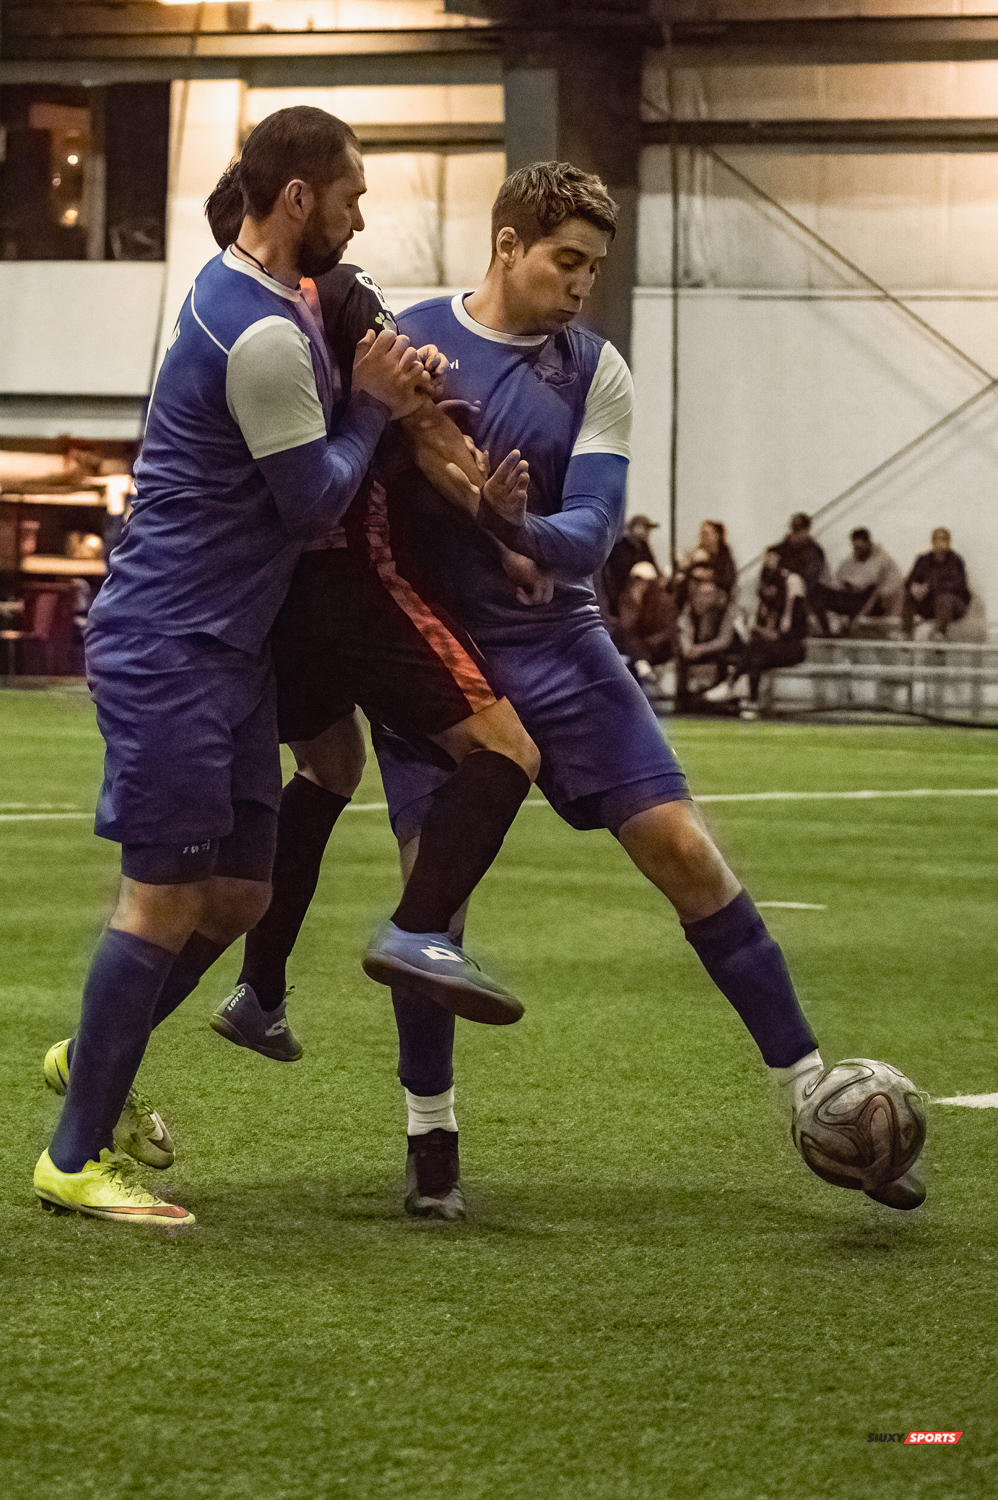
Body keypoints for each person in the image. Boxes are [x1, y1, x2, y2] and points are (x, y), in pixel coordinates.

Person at [239, 160, 922, 1219]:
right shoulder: (406, 340)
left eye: (594, 268)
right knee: (436, 908)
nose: (580, 284)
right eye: (566, 260)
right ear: (506, 243)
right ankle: (431, 1151)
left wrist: (511, 525)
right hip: (444, 666)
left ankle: (810, 1092)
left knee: (688, 857)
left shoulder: (594, 370)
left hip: (564, 653)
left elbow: (589, 536)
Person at [31, 107, 515, 1228]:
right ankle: (71, 1156)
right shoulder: (253, 328)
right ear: (296, 197)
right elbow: (313, 500)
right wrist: (374, 402)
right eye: (351, 193)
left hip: (228, 649)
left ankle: (95, 1058)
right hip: (173, 644)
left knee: (242, 892)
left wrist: (391, 377)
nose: (361, 213)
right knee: (160, 901)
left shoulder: (289, 302)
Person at [705, 550, 807, 717]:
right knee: (756, 655)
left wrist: (760, 630)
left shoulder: (792, 605)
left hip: (792, 648)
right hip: (771, 647)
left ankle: (731, 684)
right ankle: (750, 700)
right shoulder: (767, 605)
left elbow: (785, 633)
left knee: (755, 645)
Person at [673, 561, 738, 710]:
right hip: (696, 651)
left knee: (726, 658)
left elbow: (724, 640)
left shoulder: (724, 612)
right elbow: (685, 631)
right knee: (680, 657)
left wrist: (701, 649)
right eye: (702, 595)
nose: (704, 599)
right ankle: (684, 702)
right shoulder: (690, 611)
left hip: (716, 652)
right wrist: (689, 648)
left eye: (708, 595)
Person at [821, 527, 903, 629]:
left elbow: (893, 584)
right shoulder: (848, 561)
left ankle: (854, 621)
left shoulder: (883, 560)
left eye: (860, 548)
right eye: (855, 548)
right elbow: (838, 581)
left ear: (868, 543)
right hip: (853, 598)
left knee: (873, 593)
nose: (857, 551)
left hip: (876, 602)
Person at [614, 560, 678, 687]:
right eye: (637, 579)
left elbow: (670, 629)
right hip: (636, 646)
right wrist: (635, 603)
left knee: (635, 646)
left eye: (646, 581)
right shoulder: (626, 599)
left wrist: (651, 642)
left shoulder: (664, 600)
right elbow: (627, 627)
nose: (642, 584)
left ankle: (641, 662)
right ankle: (641, 663)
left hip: (659, 647)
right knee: (631, 641)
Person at [902, 527, 970, 638]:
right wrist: (914, 588)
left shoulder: (955, 561)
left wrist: (929, 587)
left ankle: (940, 634)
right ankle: (906, 633)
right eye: (936, 539)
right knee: (909, 596)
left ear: (948, 542)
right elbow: (909, 581)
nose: (939, 543)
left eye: (943, 539)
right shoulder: (923, 560)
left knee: (944, 598)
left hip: (954, 606)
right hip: (930, 604)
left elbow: (958, 586)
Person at [775, 512, 829, 633]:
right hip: (783, 592)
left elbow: (812, 576)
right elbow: (774, 571)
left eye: (801, 530)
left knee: (802, 587)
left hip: (807, 594)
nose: (797, 534)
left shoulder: (814, 551)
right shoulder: (782, 548)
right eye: (795, 529)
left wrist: (792, 577)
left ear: (807, 530)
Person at [602, 513, 660, 614]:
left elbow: (653, 567)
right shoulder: (620, 547)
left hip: (643, 597)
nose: (647, 532)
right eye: (644, 528)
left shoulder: (643, 547)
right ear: (633, 528)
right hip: (620, 598)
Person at [674, 520, 736, 603]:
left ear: (717, 535)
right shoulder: (696, 553)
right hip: (694, 596)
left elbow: (728, 579)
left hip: (716, 596)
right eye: (702, 533)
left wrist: (707, 575)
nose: (703, 537)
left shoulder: (724, 554)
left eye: (706, 533)